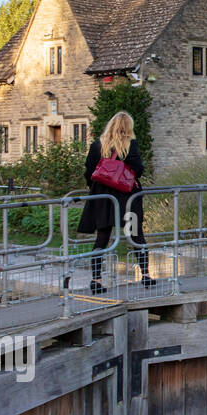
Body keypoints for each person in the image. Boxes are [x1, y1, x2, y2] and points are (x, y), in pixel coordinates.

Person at [77, 111, 155, 294]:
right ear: (129, 127)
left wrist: (97, 185)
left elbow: (88, 171)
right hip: (127, 197)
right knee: (136, 235)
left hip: (102, 197)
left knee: (101, 238)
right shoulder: (130, 145)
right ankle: (145, 275)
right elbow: (138, 169)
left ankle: (96, 280)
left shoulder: (98, 145)